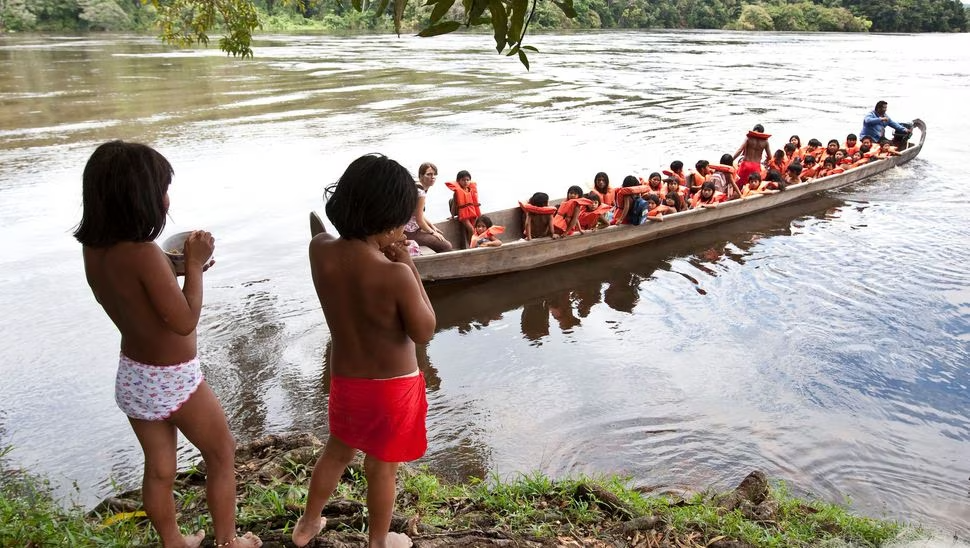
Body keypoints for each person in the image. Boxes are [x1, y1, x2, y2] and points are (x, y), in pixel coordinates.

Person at [73, 141, 261, 548]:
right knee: (222, 452)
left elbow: (143, 302)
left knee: (160, 469)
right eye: (162, 188)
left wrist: (174, 271)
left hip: (135, 375)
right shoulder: (144, 255)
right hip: (173, 380)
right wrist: (193, 266)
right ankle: (229, 541)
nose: (166, 197)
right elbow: (183, 322)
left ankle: (173, 541)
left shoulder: (95, 250)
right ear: (140, 198)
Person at [295, 153, 435, 548]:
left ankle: (308, 523)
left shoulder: (320, 250)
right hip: (393, 391)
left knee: (336, 452)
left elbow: (320, 234)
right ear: (389, 220)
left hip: (346, 383)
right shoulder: (394, 275)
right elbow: (424, 329)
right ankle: (377, 542)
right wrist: (409, 266)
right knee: (381, 469)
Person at [403, 162, 452, 253]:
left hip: (408, 230)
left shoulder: (416, 188)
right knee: (446, 246)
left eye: (434, 174)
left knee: (439, 234)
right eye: (429, 174)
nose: (432, 177)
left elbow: (418, 212)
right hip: (410, 233)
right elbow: (419, 220)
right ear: (421, 176)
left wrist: (432, 226)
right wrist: (432, 232)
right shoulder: (420, 192)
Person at [445, 170, 480, 249]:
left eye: (467, 180)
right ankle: (472, 246)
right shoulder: (457, 192)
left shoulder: (471, 190)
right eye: (463, 180)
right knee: (471, 229)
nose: (466, 182)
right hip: (463, 214)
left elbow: (474, 203)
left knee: (474, 229)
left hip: (472, 213)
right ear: (458, 181)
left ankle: (472, 244)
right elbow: (454, 205)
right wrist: (452, 216)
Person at [733, 124, 772, 190]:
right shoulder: (765, 142)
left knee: (739, 184)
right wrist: (767, 160)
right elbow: (770, 156)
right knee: (754, 185)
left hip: (745, 164)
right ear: (762, 132)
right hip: (756, 166)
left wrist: (731, 160)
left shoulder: (748, 138)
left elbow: (740, 150)